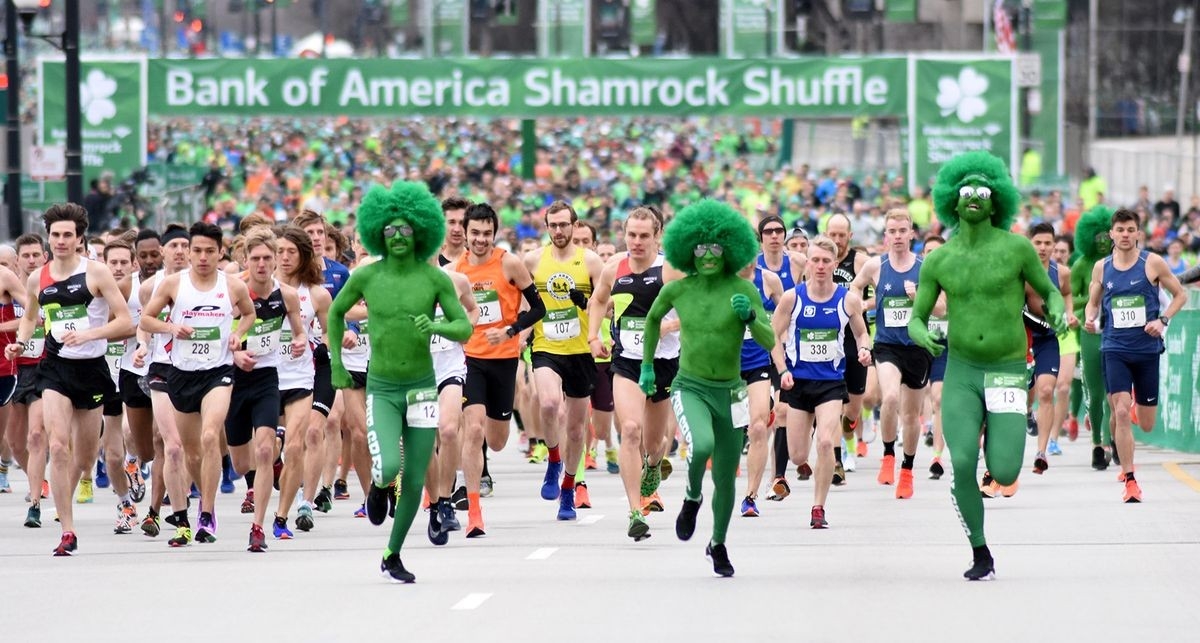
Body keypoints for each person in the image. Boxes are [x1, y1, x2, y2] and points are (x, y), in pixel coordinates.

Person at [908, 151, 1066, 580]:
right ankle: (981, 552)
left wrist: (1054, 308)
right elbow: (917, 317)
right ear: (953, 203)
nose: (974, 197)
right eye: (965, 192)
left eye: (983, 191)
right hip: (960, 369)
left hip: (1007, 369)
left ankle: (1005, 437)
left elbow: (1049, 291)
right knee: (961, 462)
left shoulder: (1016, 247)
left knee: (1005, 470)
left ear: (996, 203)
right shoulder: (939, 260)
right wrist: (921, 334)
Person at [326, 181, 473, 583]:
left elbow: (464, 327)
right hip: (384, 389)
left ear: (421, 231)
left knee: (415, 476)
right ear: (378, 233)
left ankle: (392, 552)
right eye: (389, 230)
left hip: (424, 388)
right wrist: (337, 365)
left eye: (406, 230)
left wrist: (439, 323)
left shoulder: (436, 279)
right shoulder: (366, 276)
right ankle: (376, 485)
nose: (397, 237)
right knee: (389, 464)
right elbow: (335, 315)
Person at [640, 200, 773, 578]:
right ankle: (692, 496)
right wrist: (648, 367)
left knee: (728, 475)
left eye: (716, 248)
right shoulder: (678, 290)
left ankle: (717, 543)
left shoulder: (744, 289)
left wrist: (749, 316)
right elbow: (651, 322)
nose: (709, 256)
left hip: (731, 392)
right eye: (700, 248)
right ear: (688, 250)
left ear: (729, 249)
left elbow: (766, 338)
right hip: (690, 386)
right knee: (701, 446)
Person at [6, 203, 133, 556]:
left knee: (85, 456)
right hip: (55, 368)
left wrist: (91, 335)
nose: (60, 241)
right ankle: (67, 529)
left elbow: (123, 321)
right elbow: (30, 319)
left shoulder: (97, 273)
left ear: (79, 239)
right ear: (49, 237)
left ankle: (115, 496)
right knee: (57, 445)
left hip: (91, 370)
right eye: (55, 235)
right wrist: (19, 341)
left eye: (67, 235)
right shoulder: (37, 279)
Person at [140, 222, 257, 547]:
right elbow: (146, 320)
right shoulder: (173, 285)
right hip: (182, 373)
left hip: (218, 372)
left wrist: (238, 334)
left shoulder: (232, 285)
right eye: (197, 251)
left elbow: (248, 314)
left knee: (209, 436)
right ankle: (190, 512)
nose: (203, 257)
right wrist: (171, 327)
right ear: (189, 252)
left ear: (220, 253)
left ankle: (207, 512)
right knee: (190, 452)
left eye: (209, 251)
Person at [586, 206, 681, 540]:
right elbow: (597, 301)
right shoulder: (614, 267)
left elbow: (695, 310)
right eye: (631, 235)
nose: (637, 242)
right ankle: (634, 510)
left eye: (644, 235)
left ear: (657, 236)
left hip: (664, 362)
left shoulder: (670, 269)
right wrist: (593, 336)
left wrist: (670, 325)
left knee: (655, 443)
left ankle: (653, 466)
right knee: (629, 428)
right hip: (626, 360)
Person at [1084, 208, 1187, 503]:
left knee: (1146, 422)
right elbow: (1092, 304)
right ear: (1112, 234)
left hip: (1147, 351)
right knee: (1118, 410)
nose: (1125, 235)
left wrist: (1163, 320)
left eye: (1131, 230)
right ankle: (1130, 479)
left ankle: (1126, 417)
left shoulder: (1152, 263)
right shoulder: (1101, 268)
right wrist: (1091, 318)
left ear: (1139, 233)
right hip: (1114, 348)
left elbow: (1181, 295)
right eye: (1120, 230)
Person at [454, 203, 543, 537]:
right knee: (472, 430)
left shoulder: (510, 263)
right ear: (464, 232)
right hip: (469, 360)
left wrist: (510, 331)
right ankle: (474, 510)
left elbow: (539, 308)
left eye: (486, 233)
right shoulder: (456, 270)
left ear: (495, 233)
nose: (480, 240)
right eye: (474, 233)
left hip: (504, 359)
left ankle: (481, 475)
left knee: (496, 439)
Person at [772, 236, 872, 528]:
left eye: (826, 261)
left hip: (830, 383)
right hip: (797, 383)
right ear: (807, 263)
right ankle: (808, 447)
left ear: (835, 264)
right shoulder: (793, 298)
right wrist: (782, 370)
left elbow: (861, 334)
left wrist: (865, 349)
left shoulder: (848, 299)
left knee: (827, 443)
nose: (820, 266)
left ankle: (818, 507)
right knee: (798, 455)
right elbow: (773, 337)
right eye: (814, 260)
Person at [227, 228, 307, 551]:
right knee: (240, 464)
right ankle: (273, 453)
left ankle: (258, 527)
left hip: (265, 379)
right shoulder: (233, 292)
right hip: (233, 380)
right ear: (245, 260)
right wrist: (234, 353)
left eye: (267, 258)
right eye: (255, 258)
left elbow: (299, 333)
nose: (261, 264)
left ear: (275, 261)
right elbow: (218, 335)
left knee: (262, 451)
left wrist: (300, 343)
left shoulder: (286, 295)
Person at [523, 201, 604, 520]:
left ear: (574, 225)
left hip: (581, 352)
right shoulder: (532, 261)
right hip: (546, 347)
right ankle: (553, 460)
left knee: (575, 430)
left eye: (564, 225)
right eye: (553, 225)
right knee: (548, 404)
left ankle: (568, 489)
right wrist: (518, 334)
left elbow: (605, 306)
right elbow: (523, 304)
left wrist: (586, 304)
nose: (558, 231)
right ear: (546, 227)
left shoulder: (591, 262)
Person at [851, 209, 931, 499]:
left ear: (911, 233)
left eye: (902, 231)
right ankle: (887, 455)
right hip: (886, 345)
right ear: (885, 235)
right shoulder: (875, 266)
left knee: (911, 415)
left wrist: (918, 298)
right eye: (892, 231)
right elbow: (853, 289)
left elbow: (943, 307)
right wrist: (858, 307)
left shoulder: (925, 267)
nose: (897, 236)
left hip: (918, 347)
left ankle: (907, 471)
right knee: (891, 397)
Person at [1025, 222, 1075, 474]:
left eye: (1047, 243)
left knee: (1047, 390)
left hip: (1047, 338)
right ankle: (1025, 413)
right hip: (1021, 336)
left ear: (1054, 245)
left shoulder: (1062, 272)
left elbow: (1066, 294)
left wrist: (1068, 314)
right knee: (1024, 394)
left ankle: (1041, 452)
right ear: (1029, 243)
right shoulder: (1019, 272)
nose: (1043, 248)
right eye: (1038, 243)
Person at [1070, 206, 1116, 469]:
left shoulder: (1122, 262)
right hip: (1090, 331)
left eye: (1104, 236)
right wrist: (1091, 299)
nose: (1101, 241)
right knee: (1096, 391)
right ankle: (1097, 442)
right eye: (1097, 236)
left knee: (1115, 391)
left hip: (1117, 332)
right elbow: (1071, 297)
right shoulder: (1081, 265)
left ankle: (1112, 441)